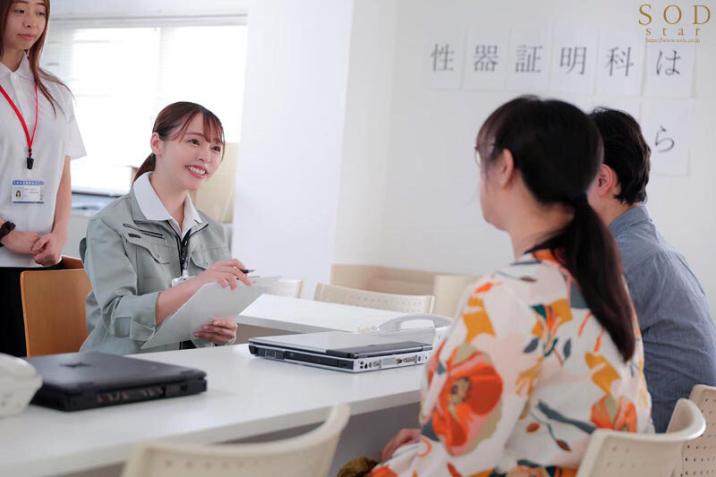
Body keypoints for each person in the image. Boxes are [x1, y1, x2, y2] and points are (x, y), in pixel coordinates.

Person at [368, 97, 652, 476]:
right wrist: (431, 444)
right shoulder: (603, 287)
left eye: (480, 157)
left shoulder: (510, 297)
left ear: (504, 166)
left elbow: (446, 470)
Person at [80, 102, 250, 354]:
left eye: (215, 148)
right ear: (157, 144)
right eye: (194, 142)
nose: (206, 156)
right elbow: (118, 316)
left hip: (190, 366)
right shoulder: (110, 223)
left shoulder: (211, 230)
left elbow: (211, 311)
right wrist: (196, 284)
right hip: (122, 366)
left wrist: (222, 330)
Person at [587, 108, 716, 432]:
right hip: (679, 444)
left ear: (602, 180)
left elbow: (569, 361)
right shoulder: (652, 251)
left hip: (644, 444)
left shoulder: (623, 259)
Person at [0, 0, 85, 357]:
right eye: (19, 10)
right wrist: (6, 233)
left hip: (40, 264)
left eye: (40, 12)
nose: (31, 22)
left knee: (39, 375)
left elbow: (62, 171)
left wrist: (60, 233)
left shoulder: (56, 92)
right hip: (3, 255)